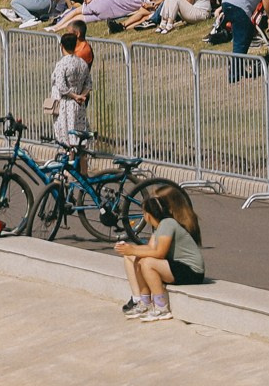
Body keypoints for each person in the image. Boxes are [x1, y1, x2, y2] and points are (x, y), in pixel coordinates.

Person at [114, 182, 205, 322]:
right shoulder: (161, 226)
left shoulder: (168, 224)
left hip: (191, 271)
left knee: (148, 262)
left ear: (149, 215)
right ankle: (142, 302)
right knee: (136, 257)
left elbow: (159, 253)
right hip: (176, 266)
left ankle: (162, 308)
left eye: (144, 212)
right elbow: (150, 248)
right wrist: (130, 250)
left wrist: (133, 249)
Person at [50, 30, 92, 149]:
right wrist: (82, 95)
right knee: (80, 139)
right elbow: (88, 83)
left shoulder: (62, 64)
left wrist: (74, 96)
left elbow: (61, 86)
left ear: (61, 46)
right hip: (79, 106)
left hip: (65, 104)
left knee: (67, 140)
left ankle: (70, 165)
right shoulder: (82, 63)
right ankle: (83, 167)